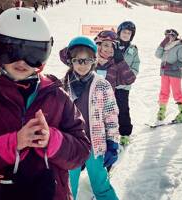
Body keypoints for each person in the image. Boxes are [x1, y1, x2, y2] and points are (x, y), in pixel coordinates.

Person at [0, 8, 91, 200]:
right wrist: (12, 144)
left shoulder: (58, 98)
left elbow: (82, 150)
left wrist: (53, 140)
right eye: (10, 51)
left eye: (33, 53)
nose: (21, 61)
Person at [59, 36, 119, 200]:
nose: (82, 65)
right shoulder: (63, 84)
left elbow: (111, 114)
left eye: (87, 61)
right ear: (71, 61)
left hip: (95, 143)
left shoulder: (102, 84)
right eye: (78, 61)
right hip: (71, 145)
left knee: (101, 184)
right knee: (68, 187)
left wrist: (112, 141)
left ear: (94, 61)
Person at [155, 28, 182, 123]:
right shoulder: (165, 46)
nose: (169, 38)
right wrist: (162, 44)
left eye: (171, 36)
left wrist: (172, 66)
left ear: (175, 36)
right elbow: (157, 55)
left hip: (174, 73)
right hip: (164, 73)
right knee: (164, 92)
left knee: (177, 93)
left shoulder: (179, 46)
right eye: (166, 36)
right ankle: (162, 110)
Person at [115, 21, 140, 146]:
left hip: (123, 86)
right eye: (124, 32)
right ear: (119, 32)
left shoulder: (133, 50)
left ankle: (124, 134)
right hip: (109, 84)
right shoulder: (112, 45)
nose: (126, 34)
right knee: (106, 109)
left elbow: (135, 67)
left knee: (123, 109)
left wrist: (130, 77)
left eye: (129, 33)